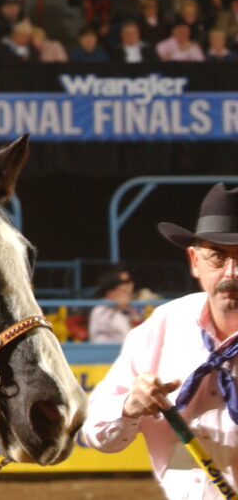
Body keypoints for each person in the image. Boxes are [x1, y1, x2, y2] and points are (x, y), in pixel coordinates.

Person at [82, 184, 238, 498]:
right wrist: (128, 407)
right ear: (194, 261)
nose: (232, 273)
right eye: (217, 257)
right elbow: (94, 432)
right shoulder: (164, 326)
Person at [89, 267, 143, 343]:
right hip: (104, 353)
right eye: (125, 282)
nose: (130, 286)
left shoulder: (126, 308)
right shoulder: (100, 308)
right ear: (111, 287)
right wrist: (116, 308)